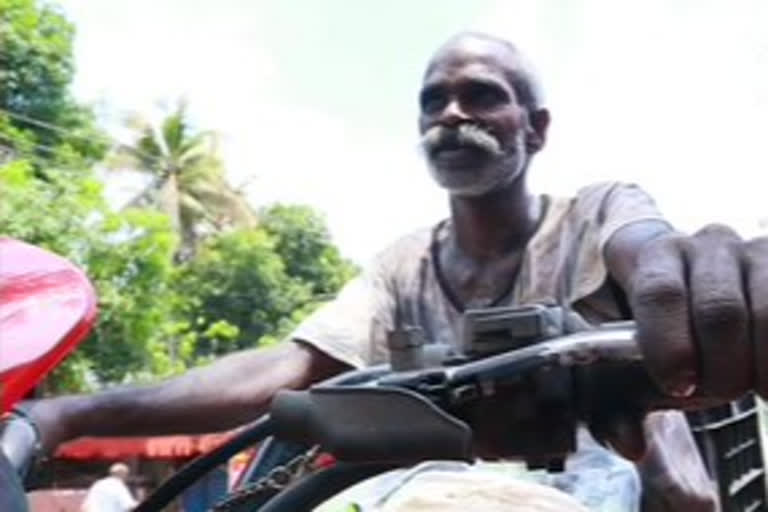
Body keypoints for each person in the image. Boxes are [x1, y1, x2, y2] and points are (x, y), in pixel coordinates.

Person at [16, 31, 768, 510]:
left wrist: (708, 275)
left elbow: (652, 254)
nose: (450, 113)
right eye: (432, 101)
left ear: (535, 129)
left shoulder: (598, 212)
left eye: (480, 96)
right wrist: (66, 413)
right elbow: (290, 368)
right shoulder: (401, 264)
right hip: (417, 494)